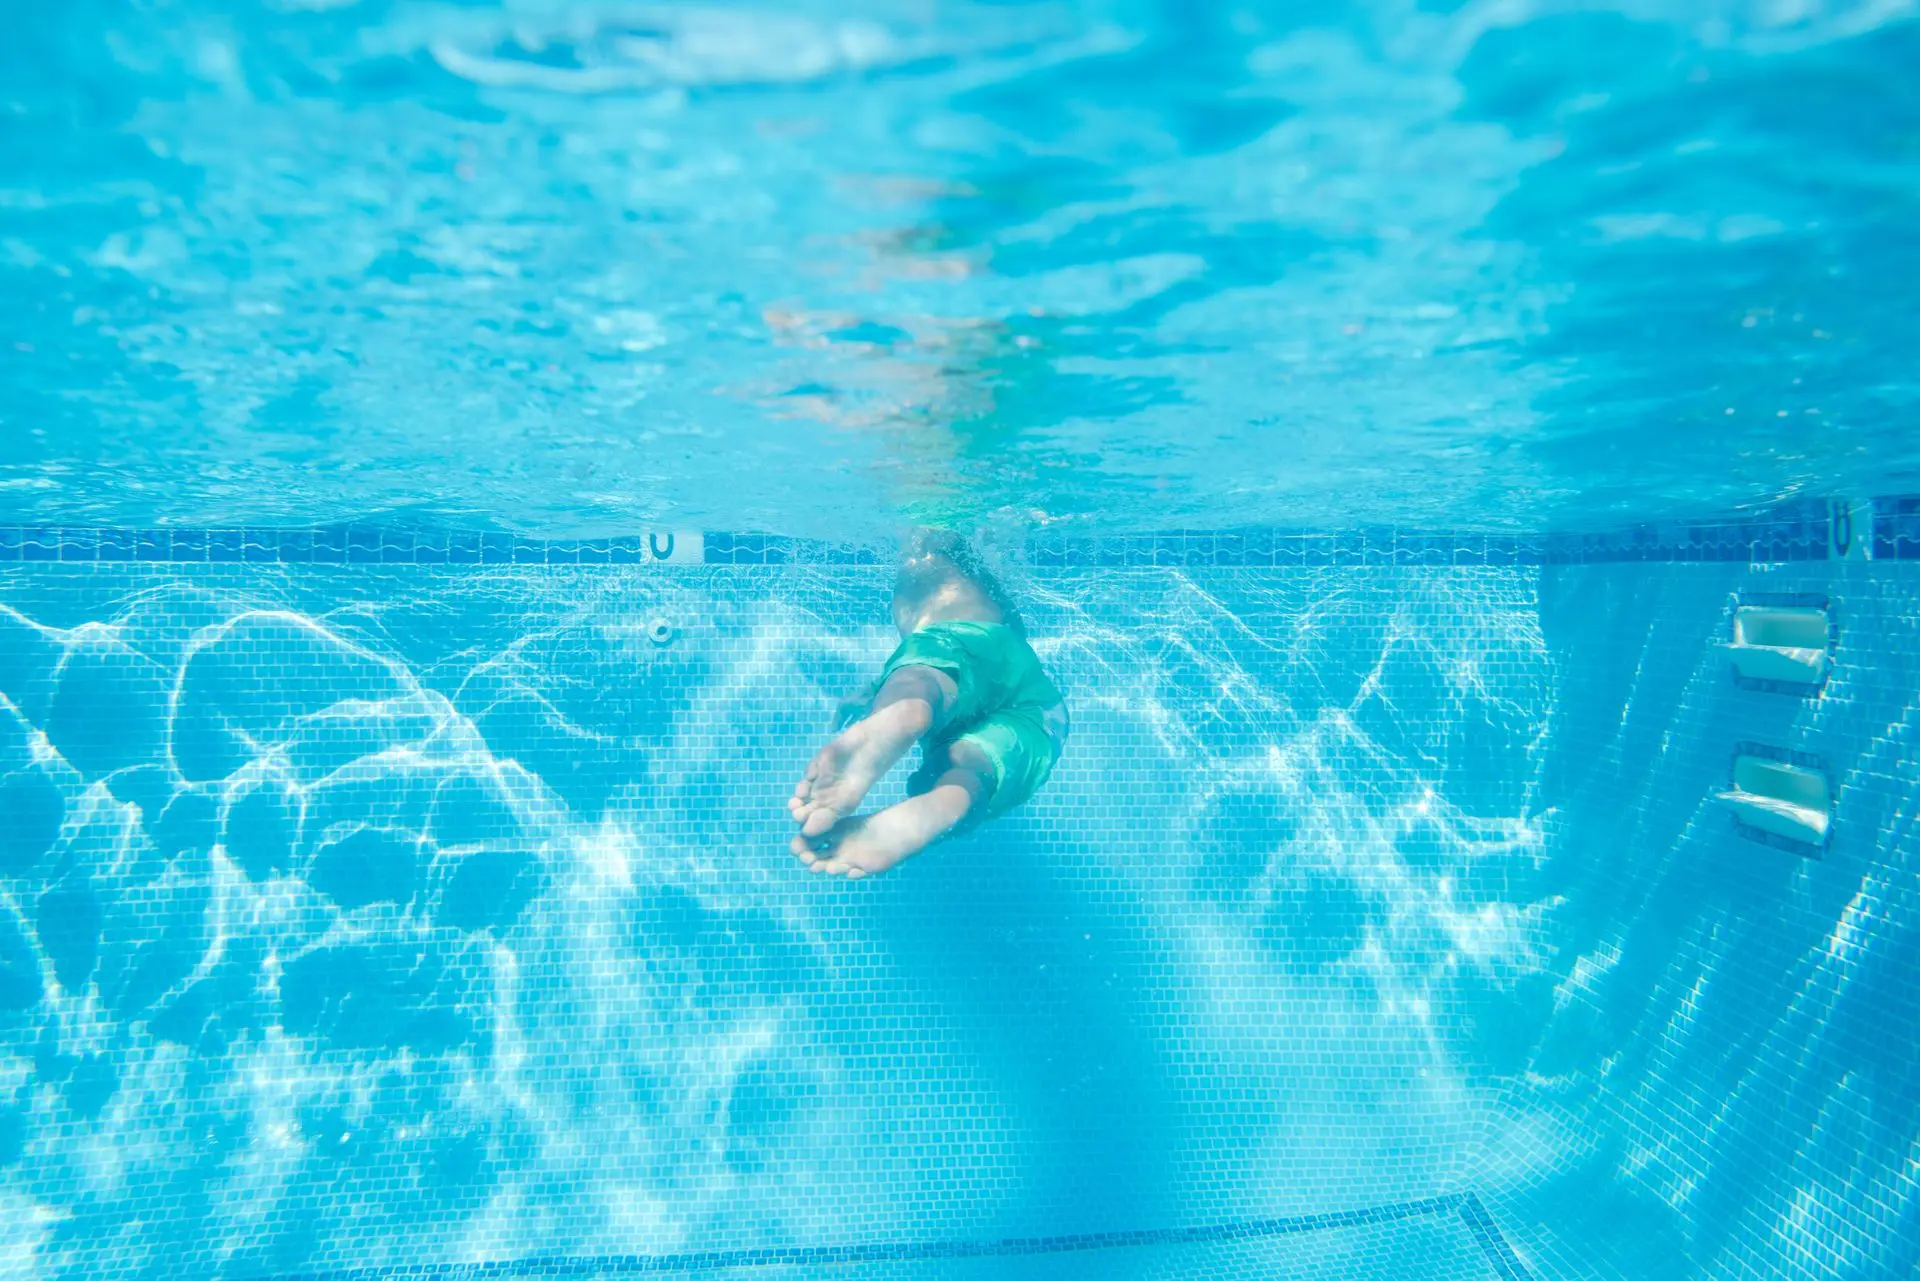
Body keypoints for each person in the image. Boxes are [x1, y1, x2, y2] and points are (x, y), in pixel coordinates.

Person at [789, 531, 1068, 877]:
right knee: (970, 766)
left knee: (924, 679)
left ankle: (907, 709)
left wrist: (872, 700)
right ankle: (944, 800)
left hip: (950, 644)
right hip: (1031, 705)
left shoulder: (931, 570)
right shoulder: (978, 584)